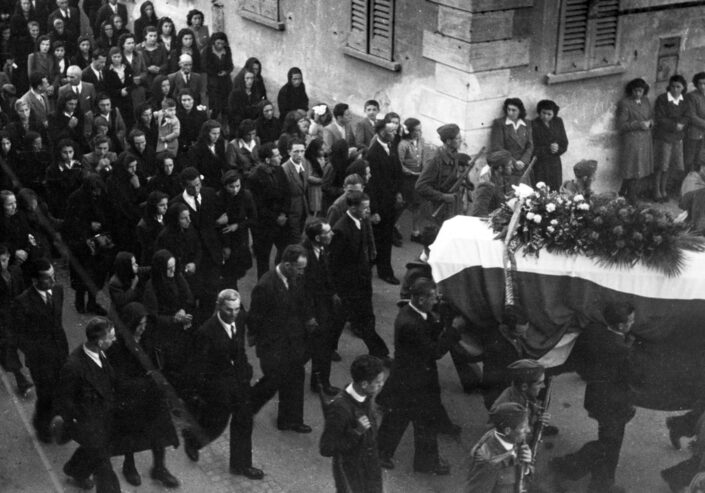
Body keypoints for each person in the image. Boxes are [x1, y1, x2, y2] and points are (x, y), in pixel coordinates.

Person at [377, 278, 460, 475]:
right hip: (415, 380)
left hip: (409, 377)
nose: (436, 301)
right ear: (421, 299)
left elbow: (431, 328)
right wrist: (454, 330)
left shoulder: (413, 313)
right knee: (421, 421)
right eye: (433, 297)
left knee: (398, 417)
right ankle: (425, 463)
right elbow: (434, 351)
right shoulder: (412, 324)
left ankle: (382, 452)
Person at [550, 301, 636, 493]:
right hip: (614, 403)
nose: (633, 323)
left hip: (596, 396)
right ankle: (572, 469)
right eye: (631, 320)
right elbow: (632, 377)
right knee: (611, 444)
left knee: (607, 440)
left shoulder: (593, 331)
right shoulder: (622, 350)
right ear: (621, 326)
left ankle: (599, 480)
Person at [183, 289, 265, 479]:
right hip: (218, 386)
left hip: (239, 380)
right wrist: (206, 392)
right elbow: (199, 367)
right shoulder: (206, 332)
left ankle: (241, 465)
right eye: (229, 310)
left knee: (244, 420)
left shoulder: (240, 319)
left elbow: (239, 348)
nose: (233, 314)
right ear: (219, 307)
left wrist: (246, 370)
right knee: (216, 425)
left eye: (236, 310)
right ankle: (193, 441)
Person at [106, 302, 179, 488]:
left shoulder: (147, 337)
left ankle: (159, 468)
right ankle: (129, 466)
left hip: (151, 393)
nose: (142, 329)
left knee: (159, 430)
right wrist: (148, 381)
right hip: (130, 396)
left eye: (144, 324)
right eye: (139, 325)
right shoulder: (116, 346)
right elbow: (119, 380)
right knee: (129, 433)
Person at [249, 244, 314, 433]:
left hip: (292, 341)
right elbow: (255, 320)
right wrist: (263, 346)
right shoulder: (266, 286)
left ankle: (291, 420)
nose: (302, 272)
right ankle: (247, 408)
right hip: (273, 345)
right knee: (272, 382)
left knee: (295, 378)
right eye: (299, 268)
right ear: (287, 265)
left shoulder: (294, 278)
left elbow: (301, 301)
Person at [52, 317, 120, 492]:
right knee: (104, 467)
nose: (114, 340)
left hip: (104, 418)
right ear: (99, 341)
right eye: (111, 337)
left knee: (93, 452)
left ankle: (75, 471)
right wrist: (81, 422)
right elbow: (64, 399)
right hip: (87, 424)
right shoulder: (74, 366)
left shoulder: (101, 353)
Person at [329, 191, 390, 361]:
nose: (368, 211)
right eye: (365, 208)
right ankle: (329, 347)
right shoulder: (341, 229)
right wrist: (335, 290)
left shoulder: (361, 221)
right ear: (352, 207)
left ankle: (379, 352)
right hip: (347, 286)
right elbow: (334, 263)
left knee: (366, 318)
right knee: (339, 319)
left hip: (361, 281)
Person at [13, 258, 67, 443]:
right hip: (40, 359)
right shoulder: (23, 302)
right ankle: (41, 426)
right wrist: (36, 352)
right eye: (47, 278)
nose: (53, 281)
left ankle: (57, 424)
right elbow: (19, 335)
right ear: (35, 280)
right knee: (46, 395)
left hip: (60, 351)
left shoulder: (58, 292)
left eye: (53, 276)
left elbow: (57, 322)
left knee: (61, 391)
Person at [320, 355, 386, 493]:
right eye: (378, 382)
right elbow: (326, 448)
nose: (382, 384)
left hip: (369, 464)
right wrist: (356, 432)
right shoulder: (340, 409)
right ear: (364, 384)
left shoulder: (366, 395)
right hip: (351, 472)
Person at [142, 249, 194, 390]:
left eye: (173, 267)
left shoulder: (177, 277)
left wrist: (183, 309)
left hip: (179, 327)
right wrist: (174, 319)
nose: (172, 271)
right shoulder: (151, 286)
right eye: (168, 269)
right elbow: (153, 315)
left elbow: (188, 296)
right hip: (163, 332)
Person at [301, 218, 341, 396]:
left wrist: (332, 293)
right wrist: (309, 316)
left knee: (322, 347)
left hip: (322, 303)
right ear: (318, 238)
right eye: (328, 232)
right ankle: (320, 383)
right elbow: (303, 289)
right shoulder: (305, 256)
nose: (332, 233)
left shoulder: (322, 249)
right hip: (311, 307)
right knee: (317, 347)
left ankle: (320, 382)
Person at [464, 402, 532, 493]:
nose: (528, 430)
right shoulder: (488, 463)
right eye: (523, 428)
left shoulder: (512, 438)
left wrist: (526, 467)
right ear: (507, 430)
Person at [367, 119, 402, 284]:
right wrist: (373, 210)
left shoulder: (391, 146)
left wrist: (398, 192)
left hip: (390, 201)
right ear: (381, 132)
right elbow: (371, 184)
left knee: (384, 237)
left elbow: (396, 172)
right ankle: (385, 271)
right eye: (391, 132)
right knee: (382, 238)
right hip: (380, 204)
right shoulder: (373, 153)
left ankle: (377, 264)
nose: (394, 135)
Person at [248, 143, 289, 278]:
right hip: (264, 225)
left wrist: (283, 214)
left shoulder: (280, 170)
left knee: (285, 254)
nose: (281, 157)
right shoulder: (255, 178)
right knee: (263, 261)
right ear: (267, 160)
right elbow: (258, 206)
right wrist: (276, 217)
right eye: (276, 155)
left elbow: (286, 194)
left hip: (281, 221)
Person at [481, 304, 529, 410]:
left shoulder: (511, 335)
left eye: (526, 331)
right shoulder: (495, 345)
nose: (524, 336)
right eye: (519, 333)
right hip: (499, 390)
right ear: (506, 328)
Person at [0, 243, 33, 396]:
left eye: (4, 260)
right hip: (3, 320)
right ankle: (21, 380)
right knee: (9, 347)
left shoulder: (16, 271)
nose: (2, 264)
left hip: (18, 317)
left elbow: (24, 291)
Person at [492, 359, 556, 437]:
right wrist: (531, 431)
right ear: (524, 386)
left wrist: (539, 418)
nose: (543, 386)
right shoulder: (507, 408)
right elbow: (503, 436)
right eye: (539, 383)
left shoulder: (523, 392)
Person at [415, 123, 465, 223]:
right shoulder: (435, 160)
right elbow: (420, 186)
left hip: (452, 208)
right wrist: (442, 196)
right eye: (458, 138)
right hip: (437, 209)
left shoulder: (454, 154)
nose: (461, 140)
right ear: (448, 141)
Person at [617, 78, 654, 203]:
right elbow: (621, 125)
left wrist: (650, 123)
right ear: (631, 90)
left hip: (645, 140)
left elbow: (651, 117)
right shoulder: (625, 103)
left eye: (640, 91)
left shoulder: (646, 101)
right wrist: (639, 124)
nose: (638, 94)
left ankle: (623, 192)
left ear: (644, 91)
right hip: (632, 141)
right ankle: (631, 197)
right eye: (635, 91)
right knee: (633, 169)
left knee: (639, 169)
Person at [218, 170, 256, 289]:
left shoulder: (246, 196)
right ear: (225, 186)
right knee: (229, 274)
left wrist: (238, 225)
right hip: (224, 239)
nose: (235, 190)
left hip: (240, 239)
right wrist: (225, 246)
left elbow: (253, 218)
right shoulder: (219, 198)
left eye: (237, 186)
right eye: (231, 187)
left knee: (237, 272)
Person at [653, 74, 688, 202]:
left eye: (678, 87)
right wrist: (675, 125)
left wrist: (682, 123)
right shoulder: (662, 99)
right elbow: (660, 117)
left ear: (683, 88)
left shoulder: (685, 101)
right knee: (661, 165)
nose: (675, 89)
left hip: (677, 137)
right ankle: (656, 191)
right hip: (664, 137)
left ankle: (664, 189)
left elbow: (687, 115)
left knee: (670, 165)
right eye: (672, 86)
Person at [490, 98, 533, 186]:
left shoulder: (526, 123)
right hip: (508, 166)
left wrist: (523, 161)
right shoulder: (500, 123)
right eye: (508, 109)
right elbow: (497, 147)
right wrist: (514, 162)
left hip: (523, 166)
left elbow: (530, 145)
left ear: (520, 111)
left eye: (514, 110)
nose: (510, 113)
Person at [531, 99, 568, 191]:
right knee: (542, 190)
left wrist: (557, 149)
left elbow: (564, 142)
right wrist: (548, 149)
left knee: (556, 188)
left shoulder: (558, 122)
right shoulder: (533, 124)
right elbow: (532, 147)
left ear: (554, 114)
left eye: (549, 114)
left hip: (555, 162)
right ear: (539, 111)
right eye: (543, 113)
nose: (545, 116)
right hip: (540, 164)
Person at [397, 117, 424, 241]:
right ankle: (393, 226)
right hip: (407, 179)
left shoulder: (420, 141)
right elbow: (399, 163)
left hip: (418, 178)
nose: (419, 132)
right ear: (410, 131)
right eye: (417, 130)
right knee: (403, 204)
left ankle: (415, 232)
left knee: (417, 204)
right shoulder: (403, 145)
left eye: (420, 130)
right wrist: (410, 172)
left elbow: (422, 157)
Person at [281, 138, 309, 244]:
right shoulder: (285, 169)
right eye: (296, 151)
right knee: (294, 241)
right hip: (291, 211)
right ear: (289, 152)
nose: (300, 155)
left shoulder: (304, 164)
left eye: (302, 151)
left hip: (303, 208)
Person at [470, 149, 514, 217]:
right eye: (509, 165)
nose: (512, 167)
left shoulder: (502, 180)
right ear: (500, 168)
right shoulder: (486, 186)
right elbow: (478, 213)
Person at [202, 32, 233, 123]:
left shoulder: (227, 50)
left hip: (225, 81)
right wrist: (215, 73)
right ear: (213, 42)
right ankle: (213, 121)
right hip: (213, 81)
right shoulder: (207, 51)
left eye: (222, 44)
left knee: (226, 103)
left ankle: (224, 122)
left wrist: (226, 72)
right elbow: (204, 66)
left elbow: (230, 65)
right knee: (215, 104)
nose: (220, 46)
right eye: (218, 43)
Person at [107, 251, 146, 316]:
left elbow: (145, 270)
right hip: (120, 314)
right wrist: (133, 286)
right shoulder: (114, 283)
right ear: (127, 266)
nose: (137, 265)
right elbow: (122, 301)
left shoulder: (130, 272)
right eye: (133, 264)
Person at [135, 190, 167, 265]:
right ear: (153, 206)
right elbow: (150, 248)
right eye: (162, 205)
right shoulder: (143, 226)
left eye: (166, 204)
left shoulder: (167, 216)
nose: (166, 207)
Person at [685, 72, 705, 175]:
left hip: (703, 134)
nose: (702, 86)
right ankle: (687, 184)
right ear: (696, 84)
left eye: (704, 83)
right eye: (700, 83)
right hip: (693, 133)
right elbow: (691, 116)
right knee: (690, 159)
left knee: (700, 159)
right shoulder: (691, 96)